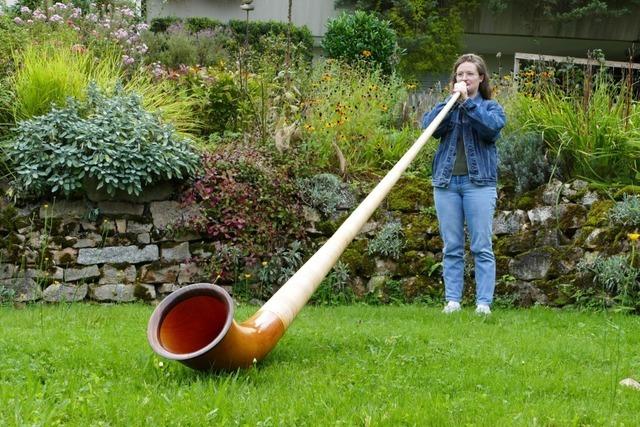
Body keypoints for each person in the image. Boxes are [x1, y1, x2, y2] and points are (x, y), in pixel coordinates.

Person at [421, 53, 506, 315]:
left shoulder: (491, 108)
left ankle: (483, 304)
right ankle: (453, 301)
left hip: (478, 185)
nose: (464, 78)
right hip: (446, 184)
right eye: (460, 74)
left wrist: (468, 104)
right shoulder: (447, 106)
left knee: (481, 245)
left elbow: (490, 129)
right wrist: (451, 102)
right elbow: (428, 128)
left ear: (481, 78)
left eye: (470, 74)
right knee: (452, 246)